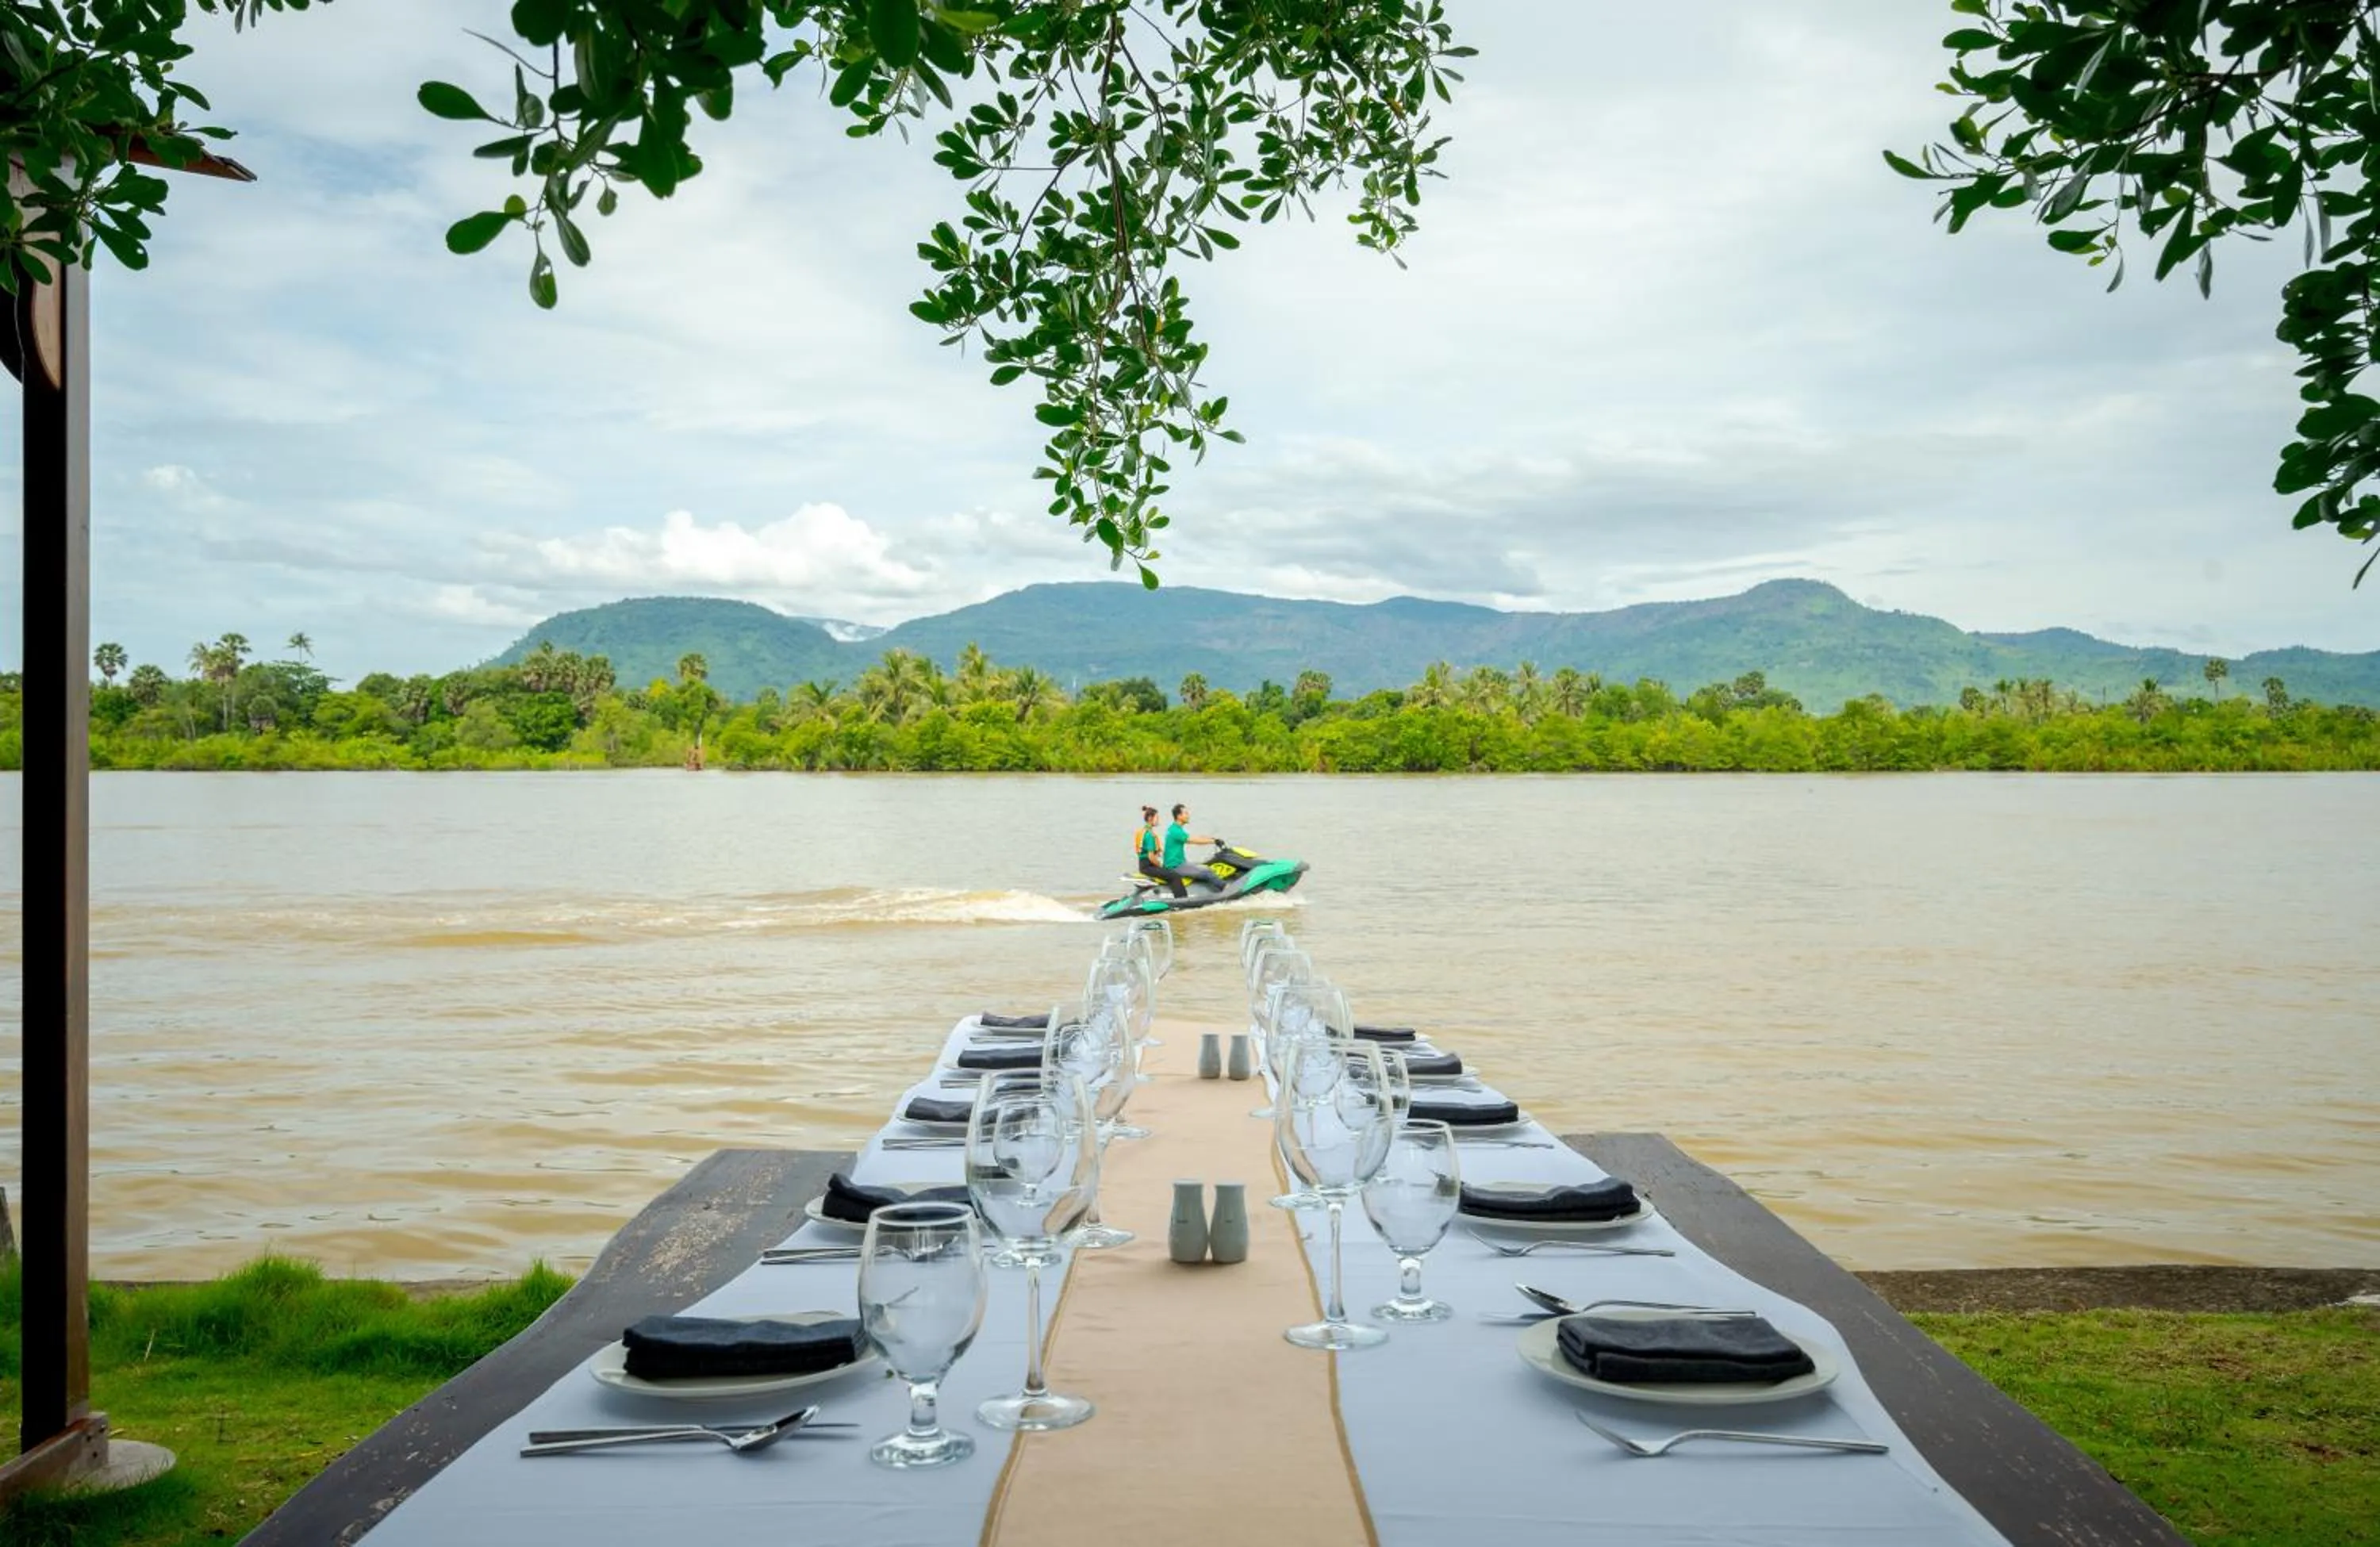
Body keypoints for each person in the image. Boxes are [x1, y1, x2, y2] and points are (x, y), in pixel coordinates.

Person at [1162, 803, 1222, 889]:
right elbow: (1194, 841)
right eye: (1186, 813)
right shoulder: (1176, 831)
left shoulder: (1174, 828)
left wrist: (1213, 839)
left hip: (1178, 863)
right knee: (1206, 872)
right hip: (1175, 866)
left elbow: (1194, 837)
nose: (1188, 816)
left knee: (1206, 866)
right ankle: (1226, 888)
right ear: (1179, 816)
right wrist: (1213, 841)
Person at [1134, 806, 1183, 897]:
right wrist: (1160, 865)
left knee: (1168, 873)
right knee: (1175, 876)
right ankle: (1181, 899)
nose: (1159, 820)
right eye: (1157, 818)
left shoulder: (1143, 831)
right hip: (1148, 867)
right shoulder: (1150, 835)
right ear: (1150, 818)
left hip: (1143, 865)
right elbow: (1151, 857)